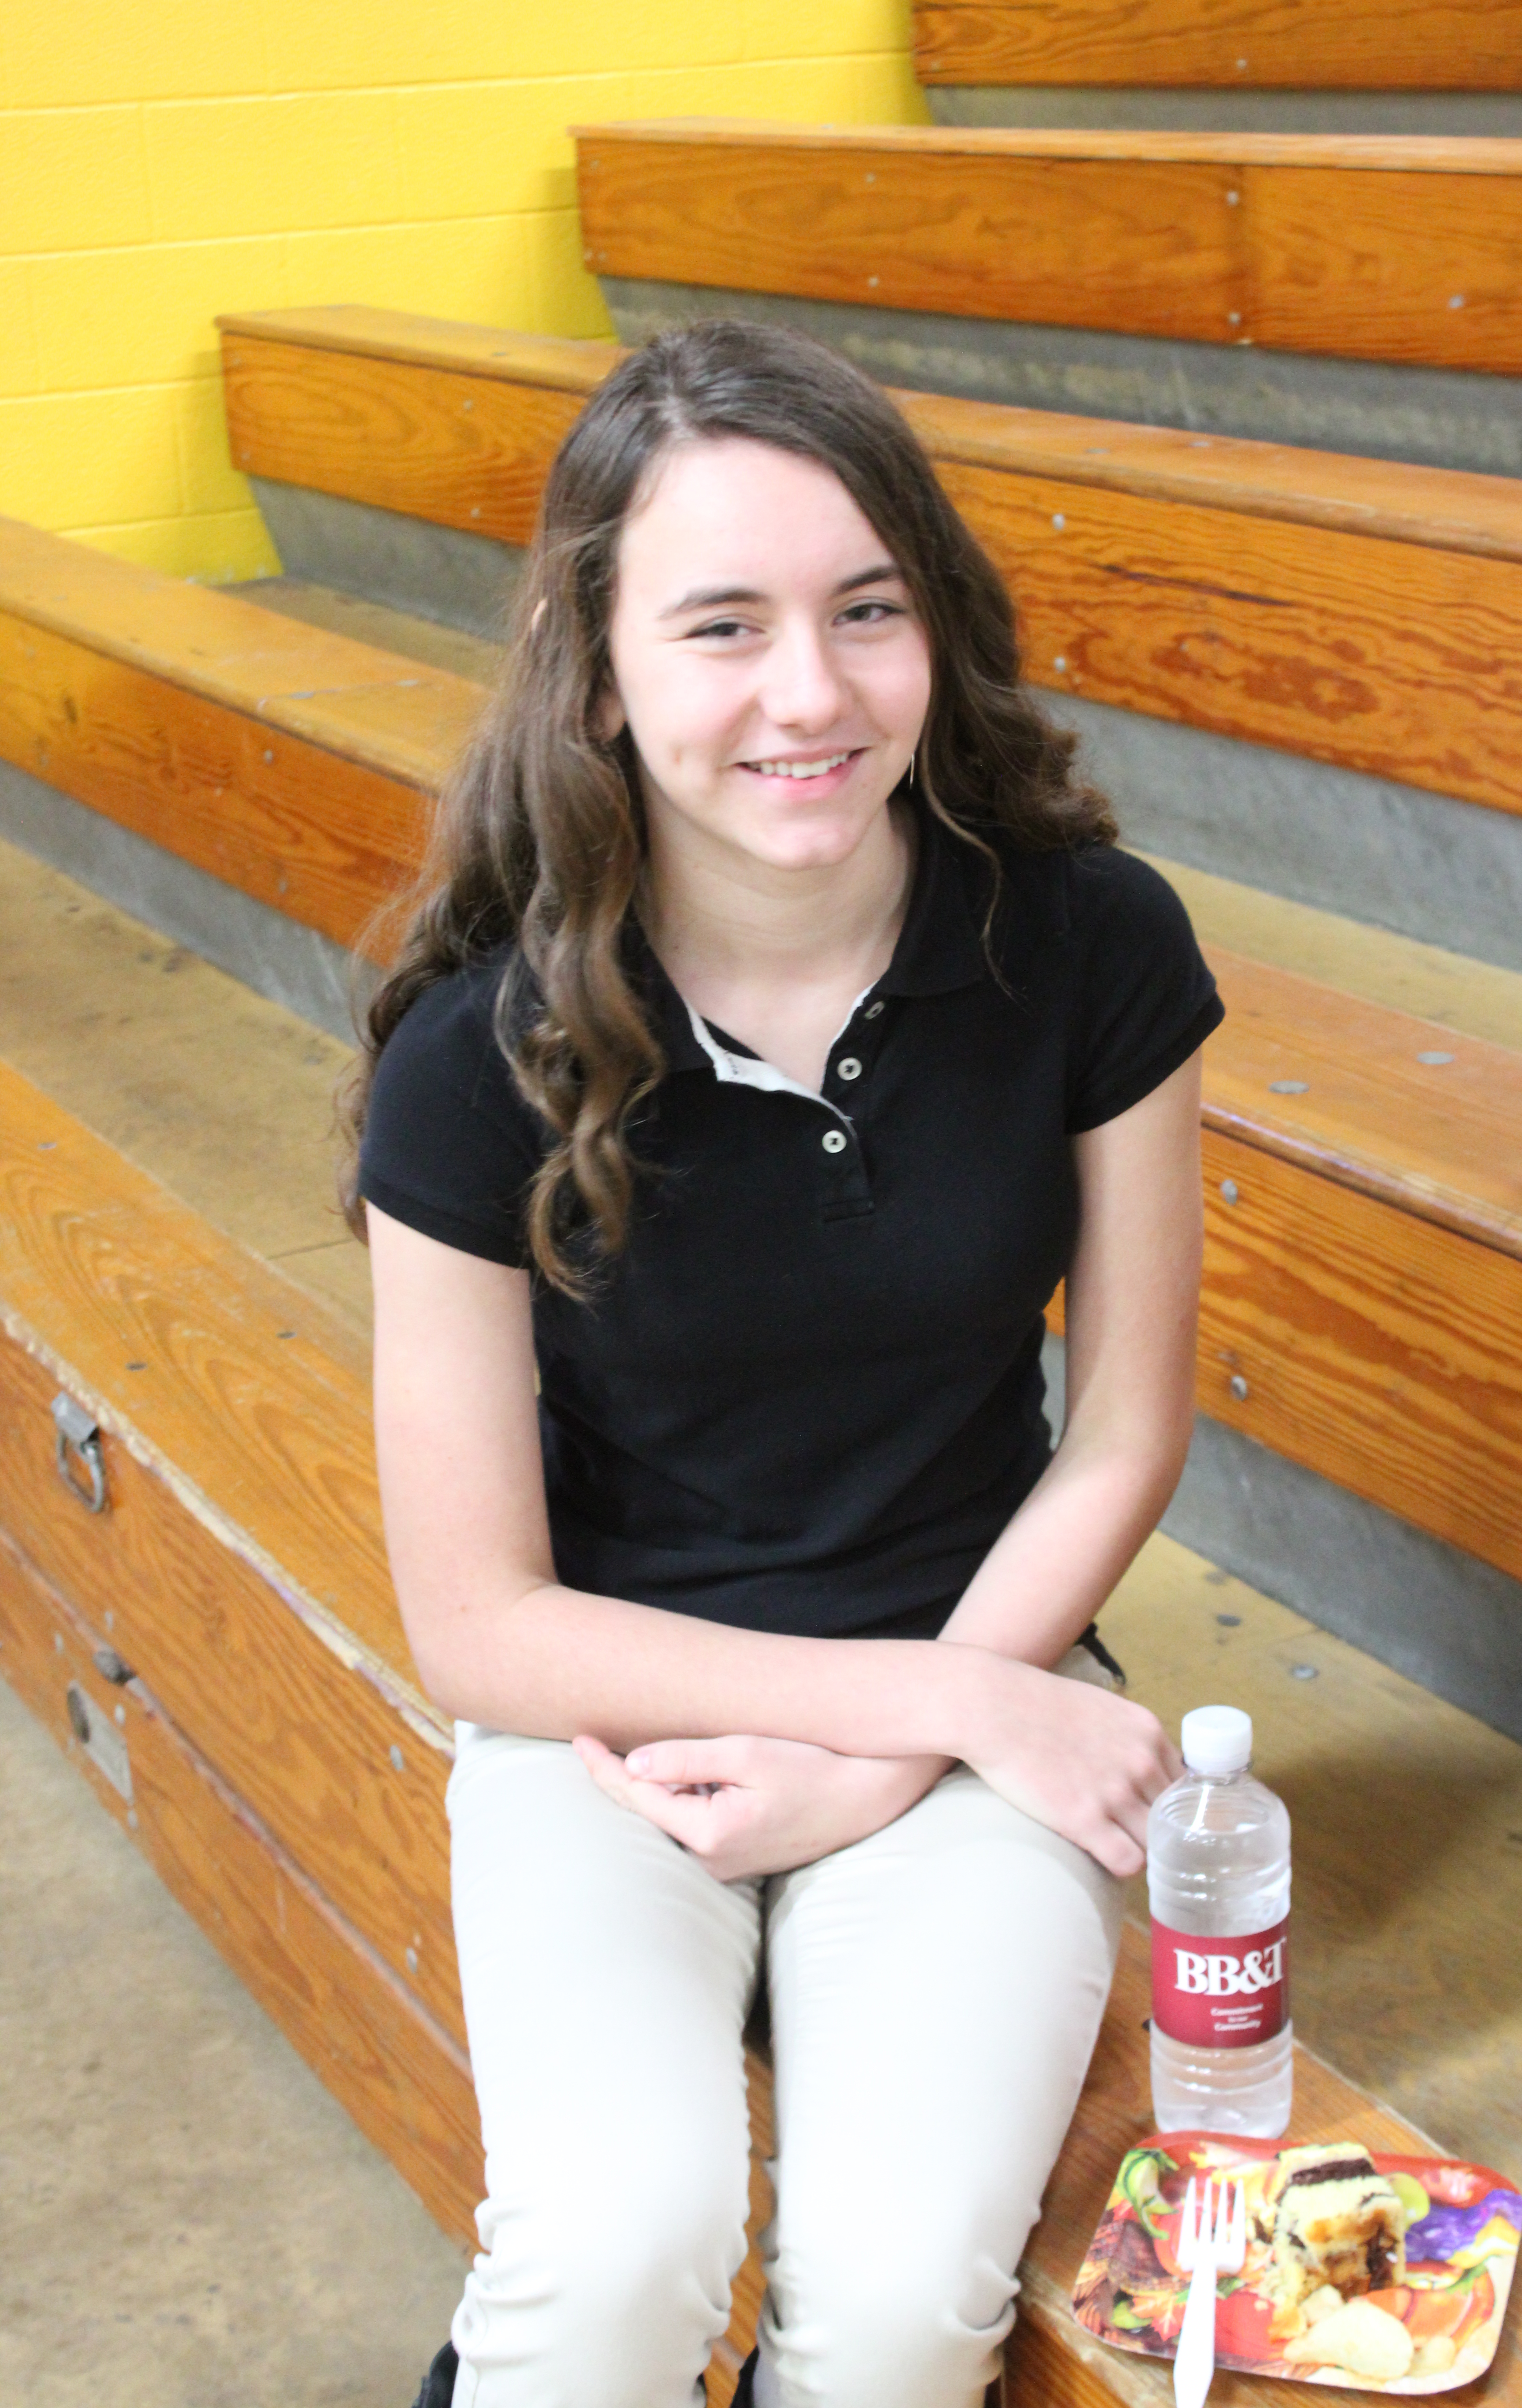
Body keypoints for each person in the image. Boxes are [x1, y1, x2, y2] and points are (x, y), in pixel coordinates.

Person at [347, 319, 1221, 2408]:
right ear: (596, 665)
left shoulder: (1088, 941)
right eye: (721, 625)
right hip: (608, 1724)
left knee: (907, 2294)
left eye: (866, 611)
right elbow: (478, 1622)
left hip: (982, 1651)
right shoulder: (474, 1055)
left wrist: (915, 1738)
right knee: (612, 2261)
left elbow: (1122, 1427)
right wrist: (920, 1705)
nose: (809, 693)